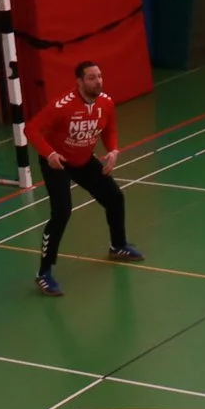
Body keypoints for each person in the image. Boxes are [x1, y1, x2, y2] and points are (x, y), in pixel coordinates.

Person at [23, 61, 143, 297]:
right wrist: (50, 154)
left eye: (99, 76)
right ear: (79, 81)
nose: (98, 81)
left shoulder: (106, 103)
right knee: (61, 213)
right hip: (57, 163)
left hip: (84, 160)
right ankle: (44, 273)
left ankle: (118, 246)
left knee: (115, 198)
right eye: (91, 77)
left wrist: (113, 150)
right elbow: (31, 130)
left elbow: (110, 129)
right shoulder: (62, 105)